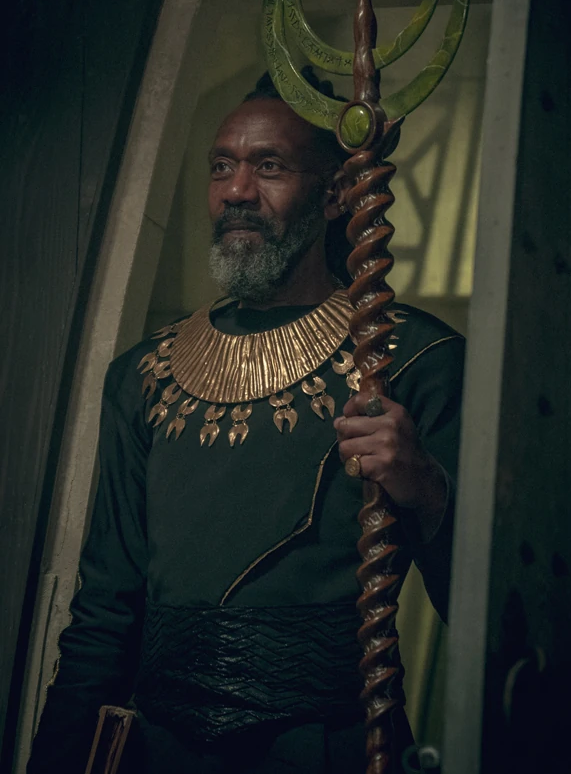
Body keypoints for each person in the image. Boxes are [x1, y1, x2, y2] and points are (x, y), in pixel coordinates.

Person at [27, 71, 465, 774]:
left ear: (335, 194)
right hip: (155, 752)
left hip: (326, 751)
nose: (235, 190)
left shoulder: (410, 359)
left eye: (269, 166)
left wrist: (426, 487)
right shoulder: (143, 374)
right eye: (221, 166)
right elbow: (105, 609)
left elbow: (490, 619)